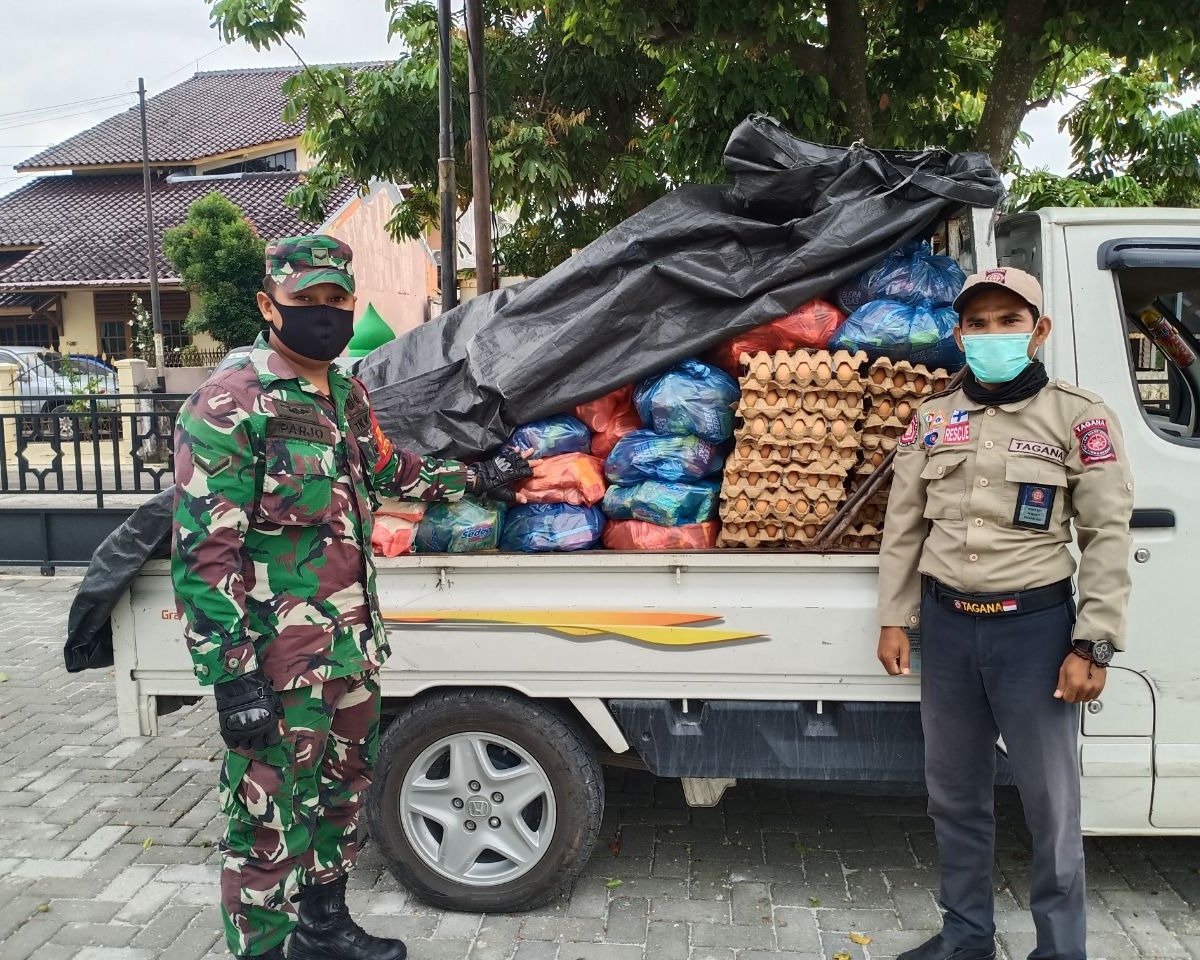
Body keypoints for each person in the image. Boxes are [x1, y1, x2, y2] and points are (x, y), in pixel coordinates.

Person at [171, 235, 532, 960]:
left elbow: (390, 468)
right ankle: (265, 951)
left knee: (342, 796)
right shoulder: (230, 402)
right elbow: (206, 554)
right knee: (268, 818)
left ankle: (324, 927)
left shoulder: (343, 392)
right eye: (308, 302)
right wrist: (232, 675)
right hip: (275, 666)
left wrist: (480, 480)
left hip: (349, 650)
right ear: (268, 305)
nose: (326, 315)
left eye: (338, 301)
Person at [876, 267, 1134, 960]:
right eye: (979, 323)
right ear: (959, 334)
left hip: (1036, 634)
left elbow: (1108, 534)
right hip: (950, 630)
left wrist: (1095, 644)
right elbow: (904, 525)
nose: (993, 334)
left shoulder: (1078, 416)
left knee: (1051, 808)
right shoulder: (932, 419)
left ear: (1039, 330)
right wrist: (895, 616)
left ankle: (1060, 949)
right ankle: (966, 940)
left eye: (1009, 320)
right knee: (955, 798)